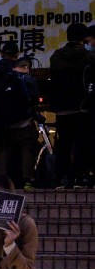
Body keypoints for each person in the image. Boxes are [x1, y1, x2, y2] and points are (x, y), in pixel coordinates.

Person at [0, 42, 39, 190]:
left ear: (2, 53)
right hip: (23, 120)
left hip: (1, 121)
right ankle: (28, 180)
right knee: (26, 149)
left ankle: (2, 181)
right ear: (16, 54)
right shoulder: (20, 70)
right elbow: (33, 95)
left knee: (3, 151)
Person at [48, 21, 95, 188]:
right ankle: (80, 177)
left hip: (62, 109)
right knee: (82, 142)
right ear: (84, 38)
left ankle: (61, 178)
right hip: (82, 107)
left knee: (63, 144)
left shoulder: (56, 56)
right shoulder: (89, 56)